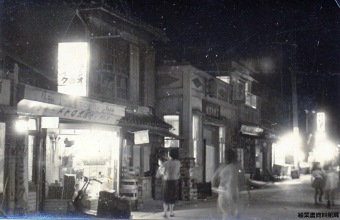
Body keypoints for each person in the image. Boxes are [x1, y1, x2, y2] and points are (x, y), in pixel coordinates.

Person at [211, 149, 240, 220]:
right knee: (232, 214)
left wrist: (216, 189)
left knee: (226, 214)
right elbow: (235, 183)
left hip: (222, 193)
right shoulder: (234, 168)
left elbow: (213, 180)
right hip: (231, 193)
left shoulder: (221, 168)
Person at [161, 149, 181, 218]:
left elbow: (163, 173)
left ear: (169, 155)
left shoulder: (166, 163)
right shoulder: (178, 163)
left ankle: (165, 213)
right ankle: (171, 213)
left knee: (166, 197)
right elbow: (178, 173)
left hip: (167, 181)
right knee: (172, 198)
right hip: (174, 181)